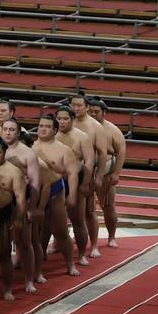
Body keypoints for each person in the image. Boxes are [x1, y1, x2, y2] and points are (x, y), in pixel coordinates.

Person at [32, 114, 80, 277]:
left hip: (55, 191)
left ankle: (70, 263)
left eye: (46, 126)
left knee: (60, 231)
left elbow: (73, 173)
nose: (42, 129)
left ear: (54, 130)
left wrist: (72, 195)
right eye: (40, 126)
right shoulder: (31, 147)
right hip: (34, 192)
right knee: (37, 232)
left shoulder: (63, 150)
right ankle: (38, 263)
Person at [0, 119, 43, 289]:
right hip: (1, 201)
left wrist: (31, 208)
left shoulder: (28, 154)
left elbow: (35, 183)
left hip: (21, 200)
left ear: (18, 133)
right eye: (5, 129)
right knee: (0, 244)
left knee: (24, 242)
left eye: (11, 130)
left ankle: (29, 279)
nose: (8, 132)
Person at [0, 135, 29, 300]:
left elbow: (20, 198)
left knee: (4, 254)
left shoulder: (13, 171)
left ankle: (7, 289)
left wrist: (18, 219)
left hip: (4, 214)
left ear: (4, 152)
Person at [70, 94, 110, 258]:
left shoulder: (95, 126)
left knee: (88, 211)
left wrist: (99, 176)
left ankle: (94, 245)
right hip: (68, 172)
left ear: (86, 107)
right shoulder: (66, 122)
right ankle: (59, 242)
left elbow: (102, 153)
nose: (76, 108)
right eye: (73, 105)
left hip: (88, 171)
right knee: (66, 211)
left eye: (79, 105)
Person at [55, 106, 95, 265]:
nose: (62, 122)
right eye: (59, 118)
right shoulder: (51, 136)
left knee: (77, 219)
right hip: (55, 181)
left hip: (76, 179)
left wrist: (85, 183)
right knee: (51, 219)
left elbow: (90, 161)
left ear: (72, 119)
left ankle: (82, 254)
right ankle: (53, 247)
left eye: (65, 119)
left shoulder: (82, 137)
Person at [89, 99, 126, 251]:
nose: (93, 114)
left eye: (96, 112)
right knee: (83, 209)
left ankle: (111, 237)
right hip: (85, 169)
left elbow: (121, 151)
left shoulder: (112, 130)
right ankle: (86, 238)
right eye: (90, 111)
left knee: (108, 205)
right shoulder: (82, 127)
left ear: (104, 113)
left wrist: (116, 173)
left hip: (106, 171)